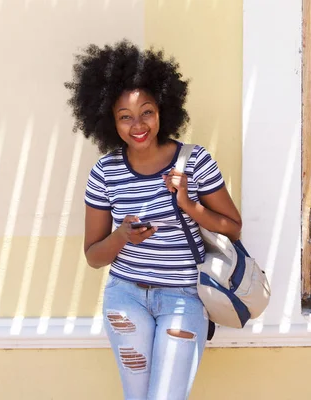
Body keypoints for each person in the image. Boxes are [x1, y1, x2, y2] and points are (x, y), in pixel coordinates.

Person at [65, 40, 242, 400]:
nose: (138, 125)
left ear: (163, 108)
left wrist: (190, 205)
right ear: (109, 120)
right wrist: (122, 237)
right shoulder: (105, 173)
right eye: (124, 117)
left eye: (146, 111)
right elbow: (94, 256)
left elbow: (233, 226)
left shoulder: (195, 161)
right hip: (125, 298)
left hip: (183, 299)